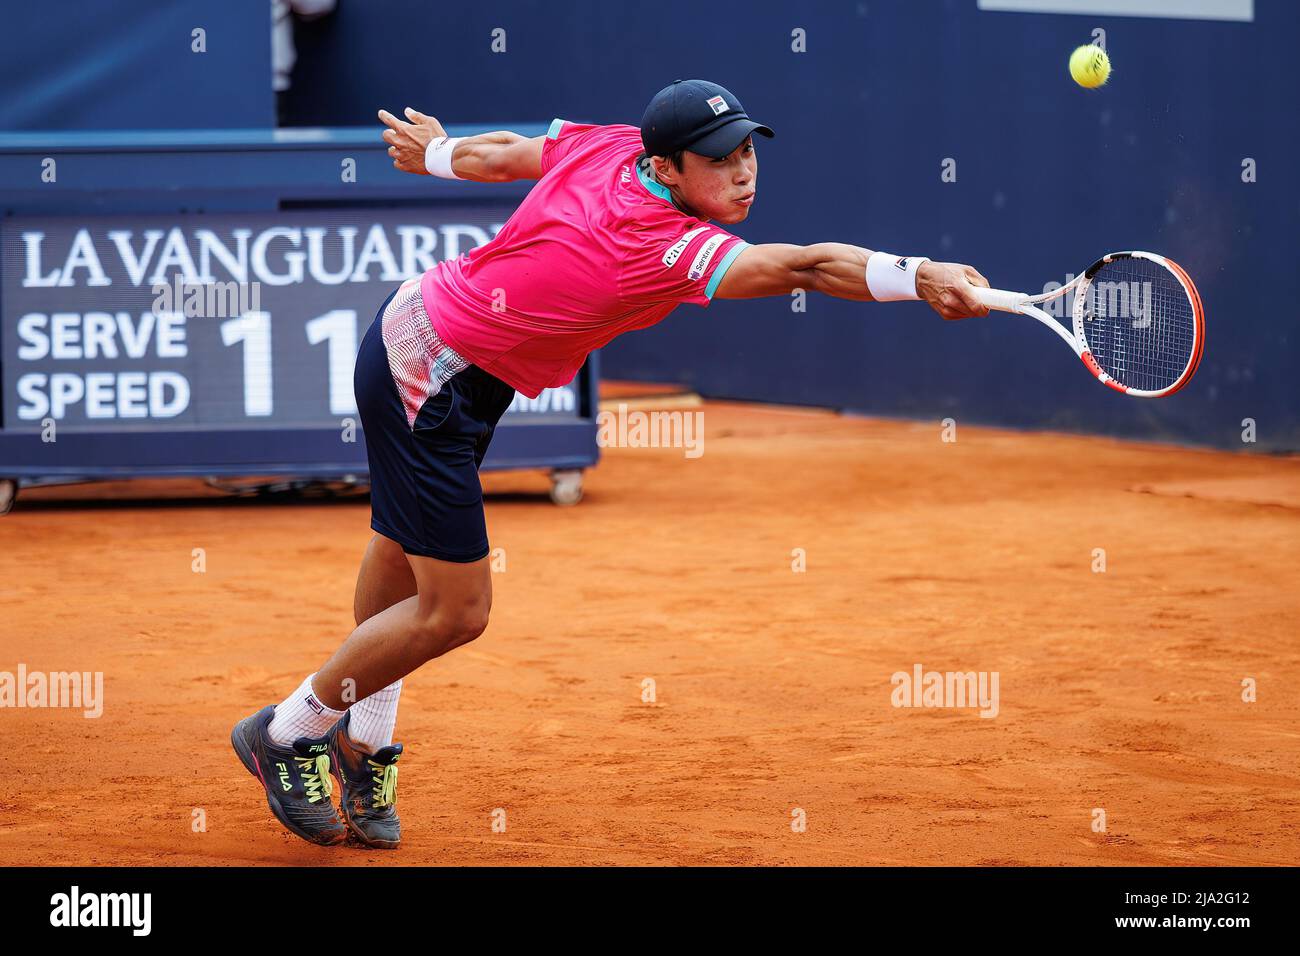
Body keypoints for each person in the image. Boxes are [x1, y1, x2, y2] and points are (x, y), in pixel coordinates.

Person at [231, 79, 990, 848]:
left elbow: (507, 157)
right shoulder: (661, 244)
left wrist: (435, 153)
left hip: (451, 357)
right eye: (720, 159)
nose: (744, 172)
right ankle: (290, 732)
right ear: (666, 168)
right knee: (456, 610)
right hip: (425, 373)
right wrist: (919, 274)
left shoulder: (614, 145)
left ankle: (364, 742)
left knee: (402, 553)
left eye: (749, 151)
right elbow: (803, 267)